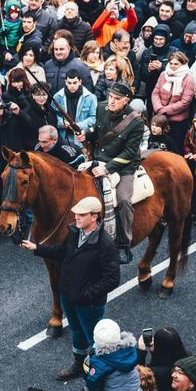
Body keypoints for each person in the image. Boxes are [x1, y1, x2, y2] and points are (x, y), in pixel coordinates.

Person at [20, 197, 119, 380]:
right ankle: (78, 364)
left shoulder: (105, 244)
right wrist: (37, 248)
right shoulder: (74, 232)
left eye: (82, 214)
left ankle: (101, 373)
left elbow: (112, 279)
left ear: (94, 216)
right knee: (76, 331)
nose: (76, 217)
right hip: (69, 297)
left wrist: (87, 295)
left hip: (88, 304)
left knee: (94, 339)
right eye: (76, 214)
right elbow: (62, 252)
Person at [75, 82, 143, 263]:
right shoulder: (101, 107)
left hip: (123, 166)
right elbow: (97, 130)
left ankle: (124, 244)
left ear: (126, 100)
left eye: (117, 99)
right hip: (98, 158)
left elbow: (129, 153)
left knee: (123, 200)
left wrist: (107, 167)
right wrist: (85, 134)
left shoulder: (136, 122)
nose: (111, 101)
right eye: (110, 96)